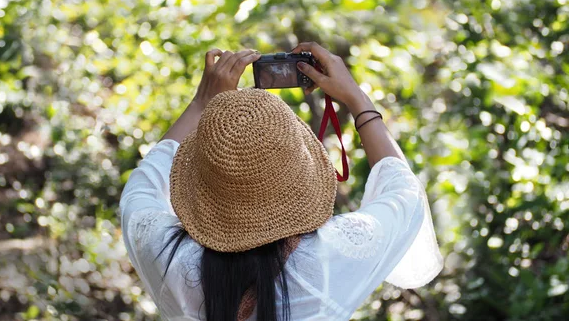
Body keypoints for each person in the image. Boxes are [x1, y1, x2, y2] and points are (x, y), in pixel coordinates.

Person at [119, 42, 443, 321]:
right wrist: (356, 98)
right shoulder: (338, 255)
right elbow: (404, 190)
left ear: (201, 183)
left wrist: (202, 102)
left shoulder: (163, 254)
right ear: (304, 175)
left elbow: (144, 183)